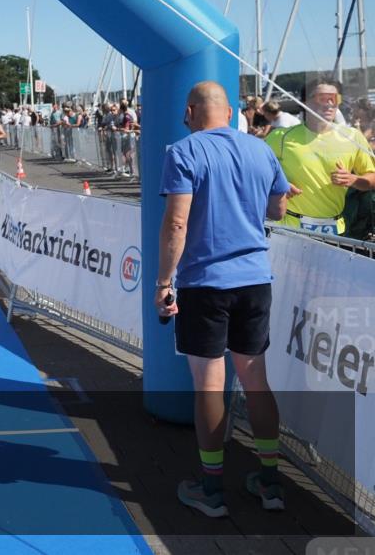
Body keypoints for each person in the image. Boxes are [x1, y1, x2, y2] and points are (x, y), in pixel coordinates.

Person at [156, 81, 292, 518]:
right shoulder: (261, 149)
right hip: (255, 279)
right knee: (256, 381)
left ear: (191, 110)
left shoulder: (183, 151)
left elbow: (176, 224)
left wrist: (163, 282)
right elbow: (279, 210)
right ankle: (270, 483)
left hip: (206, 283)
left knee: (210, 386)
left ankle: (212, 489)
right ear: (231, 111)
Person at [265, 78, 375, 235]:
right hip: (291, 229)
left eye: (334, 98)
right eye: (322, 98)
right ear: (305, 102)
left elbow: (372, 178)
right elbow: (255, 171)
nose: (329, 103)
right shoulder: (280, 137)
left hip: (337, 232)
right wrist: (279, 184)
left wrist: (353, 180)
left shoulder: (352, 137)